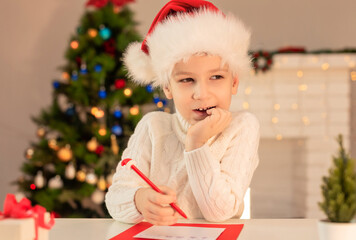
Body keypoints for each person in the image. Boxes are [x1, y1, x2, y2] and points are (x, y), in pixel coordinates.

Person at [105, 0, 260, 226]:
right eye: (187, 80)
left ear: (234, 82)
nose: (202, 93)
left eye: (216, 77)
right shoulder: (152, 126)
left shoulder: (243, 127)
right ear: (168, 87)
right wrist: (139, 200)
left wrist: (196, 143)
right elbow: (115, 199)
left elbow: (220, 211)